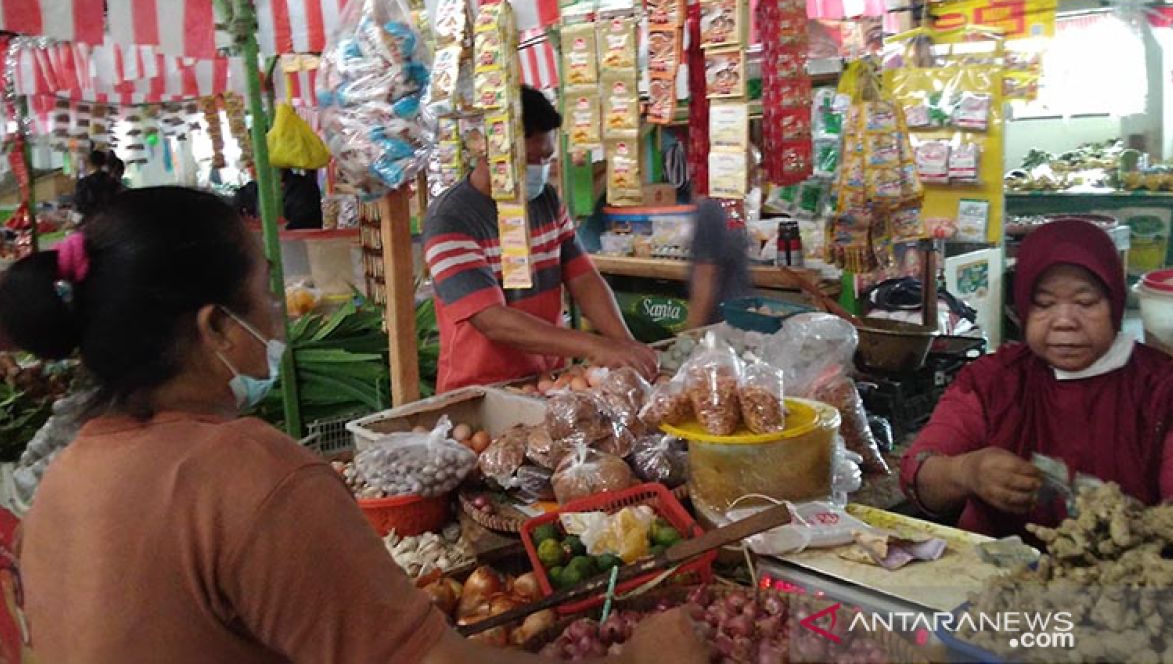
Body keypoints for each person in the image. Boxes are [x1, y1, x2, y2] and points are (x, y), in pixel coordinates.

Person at [0, 187, 706, 663]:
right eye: (262, 294)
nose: (276, 316)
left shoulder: (62, 483)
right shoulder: (247, 474)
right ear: (218, 327)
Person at [900, 219, 1173, 539]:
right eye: (1044, 304)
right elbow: (917, 474)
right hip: (994, 577)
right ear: (1024, 309)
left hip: (1125, 582)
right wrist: (966, 472)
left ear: (1115, 303)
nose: (1065, 321)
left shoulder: (1169, 392)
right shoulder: (993, 380)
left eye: (1085, 303)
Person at [424, 86, 657, 392]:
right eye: (531, 158)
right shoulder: (451, 218)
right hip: (481, 390)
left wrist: (626, 346)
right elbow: (491, 319)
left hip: (550, 382)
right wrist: (595, 347)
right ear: (492, 150)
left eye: (546, 158)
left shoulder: (544, 199)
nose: (540, 170)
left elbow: (584, 279)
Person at [687, 198, 752, 328]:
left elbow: (705, 277)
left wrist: (687, 335)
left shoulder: (710, 209)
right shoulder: (730, 206)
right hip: (739, 317)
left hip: (718, 325)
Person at [73, 150, 121, 223]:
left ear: (89, 163)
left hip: (92, 221)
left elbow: (79, 206)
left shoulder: (83, 183)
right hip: (112, 220)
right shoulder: (113, 181)